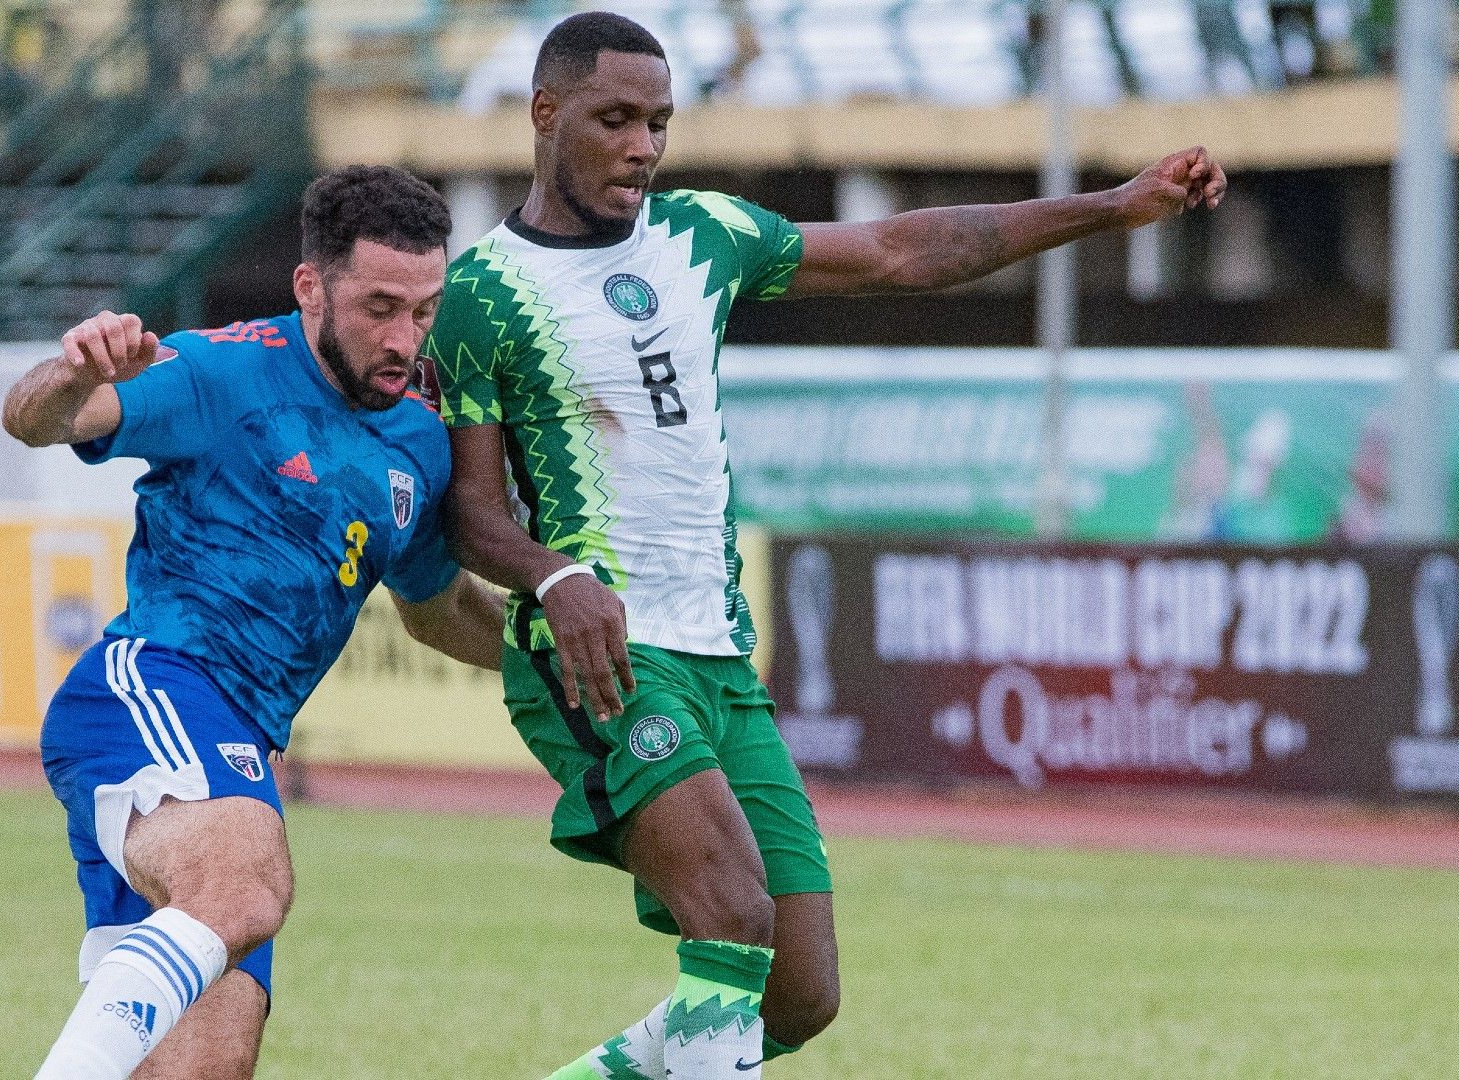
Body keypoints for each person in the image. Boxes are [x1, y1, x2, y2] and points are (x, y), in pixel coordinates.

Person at [425, 12, 1227, 1078]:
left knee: (800, 992)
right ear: (543, 113)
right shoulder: (482, 292)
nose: (642, 146)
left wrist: (1115, 206)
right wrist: (552, 574)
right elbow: (469, 510)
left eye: (658, 122)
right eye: (615, 119)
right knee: (730, 918)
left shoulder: (701, 235)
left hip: (717, 654)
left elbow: (905, 249)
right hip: (601, 655)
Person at [3, 164, 504, 1080]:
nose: (404, 338)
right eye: (379, 307)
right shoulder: (221, 370)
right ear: (310, 287)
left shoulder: (419, 442)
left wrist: (547, 654)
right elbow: (35, 419)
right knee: (246, 884)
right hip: (150, 691)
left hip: (236, 751)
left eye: (424, 311)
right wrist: (73, 371)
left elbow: (436, 612)